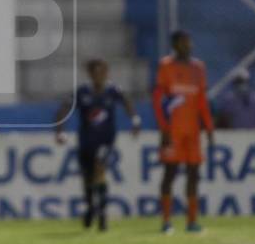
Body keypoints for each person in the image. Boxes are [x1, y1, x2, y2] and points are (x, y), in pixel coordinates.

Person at [55, 59, 141, 231]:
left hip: (106, 140)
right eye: (95, 73)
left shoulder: (113, 90)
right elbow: (64, 109)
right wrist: (60, 130)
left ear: (106, 73)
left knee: (99, 169)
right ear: (90, 74)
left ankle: (102, 214)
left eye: (102, 72)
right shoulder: (82, 92)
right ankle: (90, 207)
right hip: (86, 140)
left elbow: (127, 102)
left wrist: (135, 120)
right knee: (87, 177)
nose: (99, 76)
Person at [152, 30, 214, 233]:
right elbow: (158, 101)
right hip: (173, 131)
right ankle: (166, 221)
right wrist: (164, 129)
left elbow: (202, 101)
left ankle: (192, 221)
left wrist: (209, 128)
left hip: (193, 131)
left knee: (194, 174)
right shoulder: (166, 66)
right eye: (184, 42)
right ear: (175, 45)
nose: (189, 45)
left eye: (189, 41)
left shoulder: (198, 67)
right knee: (170, 173)